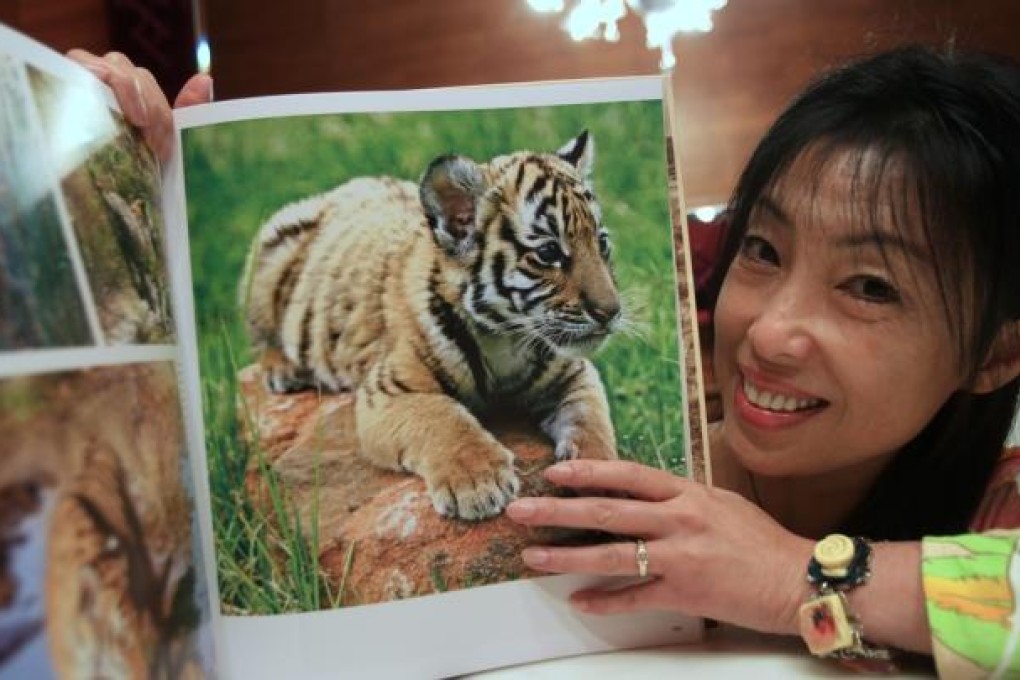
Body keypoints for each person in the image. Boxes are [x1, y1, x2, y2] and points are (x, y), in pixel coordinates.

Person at [74, 44, 1020, 676]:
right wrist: (147, 181)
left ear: (996, 353)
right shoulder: (684, 314)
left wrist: (796, 578)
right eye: (763, 250)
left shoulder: (993, 492)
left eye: (872, 288)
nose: (770, 331)